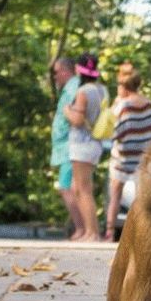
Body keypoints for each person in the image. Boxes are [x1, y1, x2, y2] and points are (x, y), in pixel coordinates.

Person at [103, 62, 151, 241]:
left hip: (122, 158)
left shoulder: (122, 105)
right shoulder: (148, 104)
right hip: (143, 157)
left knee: (115, 196)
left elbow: (113, 129)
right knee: (142, 197)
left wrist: (115, 103)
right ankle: (144, 232)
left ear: (124, 86)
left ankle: (110, 232)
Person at [63, 53, 107, 242]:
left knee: (83, 189)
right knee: (76, 187)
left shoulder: (83, 92)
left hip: (82, 143)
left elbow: (78, 120)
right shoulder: (102, 89)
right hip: (94, 143)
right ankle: (89, 231)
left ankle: (93, 233)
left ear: (78, 70)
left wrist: (67, 111)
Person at [49, 57, 85, 240]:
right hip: (65, 146)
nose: (55, 76)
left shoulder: (74, 86)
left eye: (56, 72)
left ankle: (83, 228)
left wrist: (66, 113)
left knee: (67, 188)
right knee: (71, 187)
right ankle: (82, 229)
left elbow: (75, 115)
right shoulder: (70, 87)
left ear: (65, 70)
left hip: (70, 146)